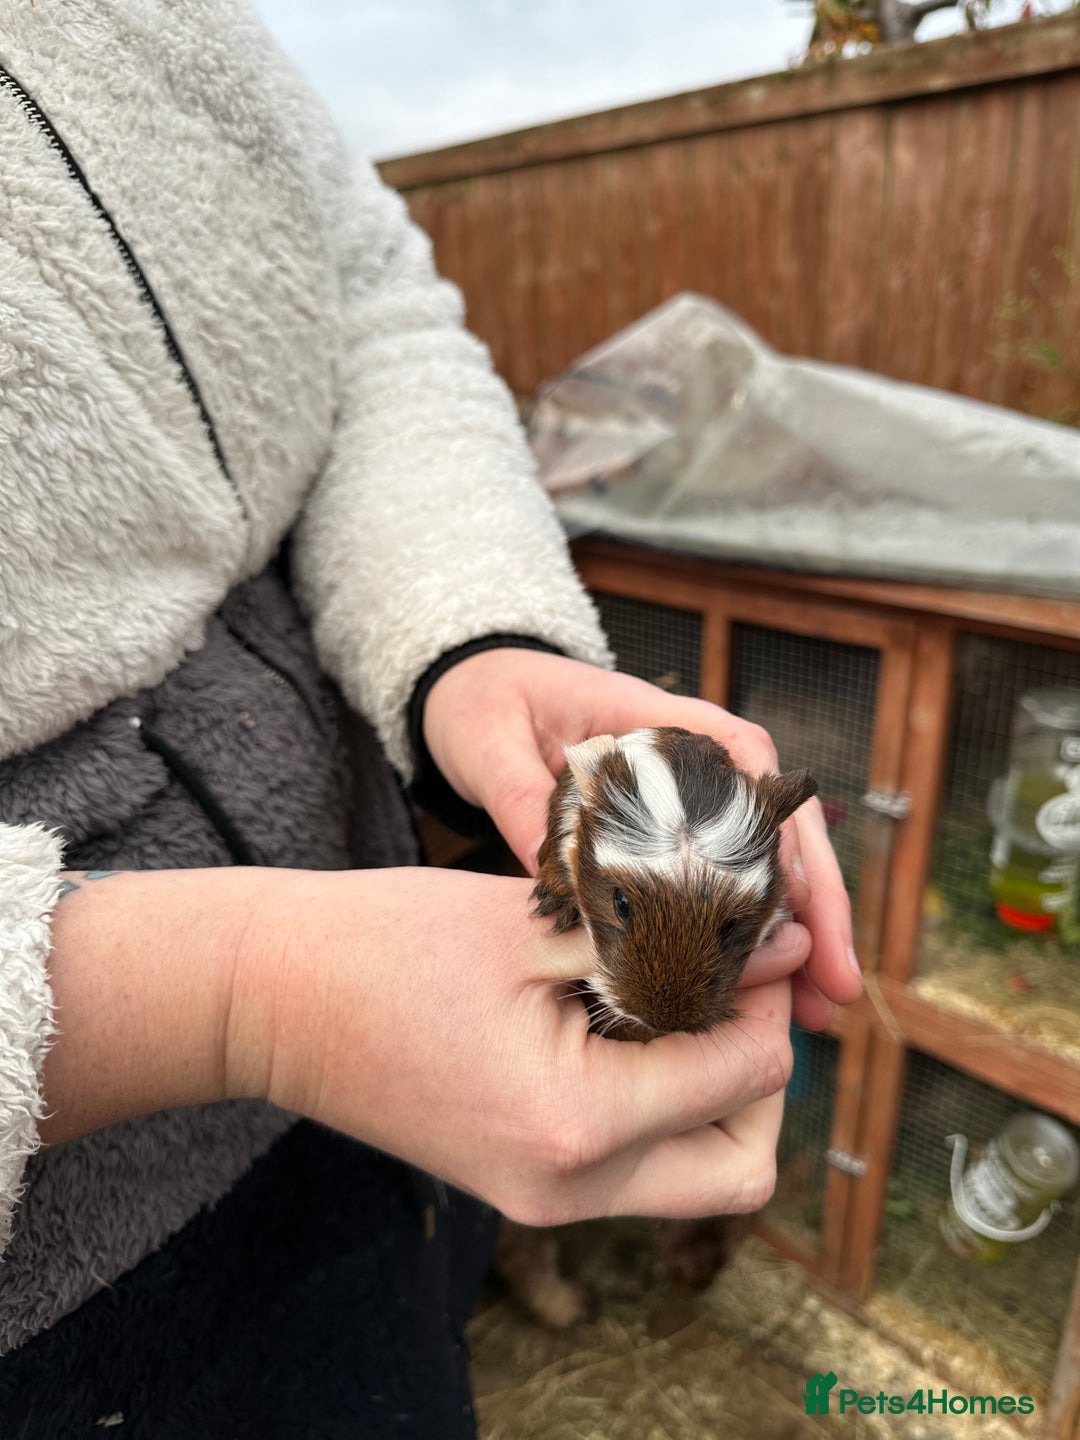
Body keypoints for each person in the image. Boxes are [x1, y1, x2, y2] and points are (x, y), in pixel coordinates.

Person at [0, 1, 860, 1434]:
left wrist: (471, 636)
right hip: (67, 1301)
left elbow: (374, 317)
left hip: (389, 1122)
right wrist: (246, 1001)